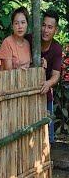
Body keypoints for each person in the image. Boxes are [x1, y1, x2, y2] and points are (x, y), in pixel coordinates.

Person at [26, 9, 62, 143]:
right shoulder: (29, 39)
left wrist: (48, 83)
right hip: (26, 92)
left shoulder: (57, 48)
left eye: (50, 27)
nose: (45, 30)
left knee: (48, 139)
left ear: (55, 30)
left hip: (44, 94)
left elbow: (56, 75)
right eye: (44, 25)